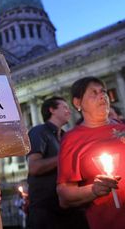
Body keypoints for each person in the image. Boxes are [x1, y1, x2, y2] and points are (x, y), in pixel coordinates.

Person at [57, 76, 125, 229]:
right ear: (77, 103)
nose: (102, 96)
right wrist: (94, 190)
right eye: (94, 93)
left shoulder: (122, 128)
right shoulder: (72, 139)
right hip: (109, 221)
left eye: (103, 92)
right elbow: (64, 195)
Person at [26, 96, 88, 229]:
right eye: (64, 107)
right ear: (52, 110)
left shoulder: (66, 137)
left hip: (71, 207)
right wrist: (66, 156)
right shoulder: (39, 132)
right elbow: (34, 167)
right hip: (46, 210)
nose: (69, 111)